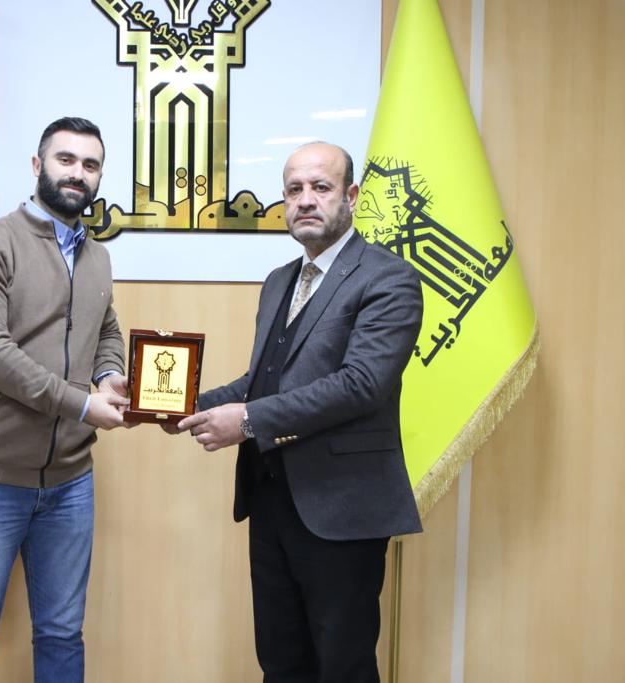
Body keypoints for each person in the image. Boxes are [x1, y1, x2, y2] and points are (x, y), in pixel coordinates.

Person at [174, 142, 424, 682]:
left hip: (342, 509)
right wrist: (175, 404)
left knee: (343, 667)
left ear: (351, 196)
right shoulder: (278, 281)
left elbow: (361, 385)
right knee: (281, 663)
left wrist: (246, 421)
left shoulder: (389, 278)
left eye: (320, 187)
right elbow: (262, 381)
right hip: (270, 501)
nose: (305, 200)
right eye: (294, 190)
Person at [0, 117, 129, 682]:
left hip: (70, 481)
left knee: (63, 632)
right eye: (65, 159)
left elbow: (106, 327)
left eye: (90, 165)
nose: (77, 173)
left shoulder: (97, 257)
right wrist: (81, 405)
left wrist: (110, 375)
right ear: (37, 165)